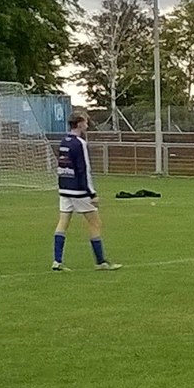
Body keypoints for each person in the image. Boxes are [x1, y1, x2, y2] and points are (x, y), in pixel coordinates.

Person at [53, 112, 119, 271]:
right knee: (95, 223)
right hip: (79, 191)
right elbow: (84, 170)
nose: (87, 125)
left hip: (65, 189)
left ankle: (57, 261)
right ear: (80, 123)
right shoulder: (80, 143)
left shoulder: (64, 141)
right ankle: (101, 262)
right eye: (86, 122)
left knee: (63, 223)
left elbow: (62, 166)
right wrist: (92, 193)